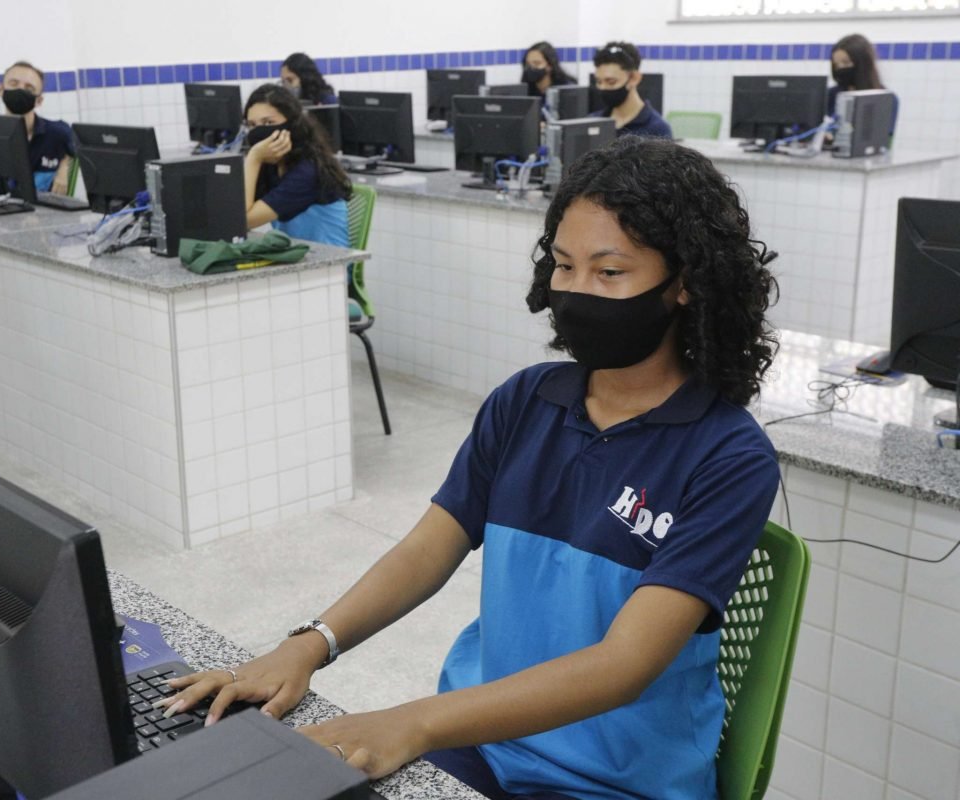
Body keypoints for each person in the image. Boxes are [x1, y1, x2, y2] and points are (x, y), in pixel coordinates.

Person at [161, 136, 782, 799]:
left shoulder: (727, 455)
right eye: (564, 267)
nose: (575, 291)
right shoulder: (525, 402)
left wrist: (415, 723)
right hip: (483, 744)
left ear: (685, 284)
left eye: (609, 272)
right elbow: (427, 549)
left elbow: (623, 666)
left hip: (613, 782)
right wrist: (310, 644)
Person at [243, 84, 352, 248]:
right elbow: (236, 215)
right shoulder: (271, 164)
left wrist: (253, 158)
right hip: (293, 256)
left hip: (330, 266)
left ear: (292, 125)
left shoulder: (308, 171)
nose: (258, 132)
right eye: (252, 125)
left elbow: (244, 221)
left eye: (268, 123)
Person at [0, 61, 76, 195]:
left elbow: (84, 149)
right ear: (0, 90)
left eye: (29, 88)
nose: (20, 90)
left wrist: (64, 167)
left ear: (39, 101)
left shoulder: (57, 134)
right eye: (14, 84)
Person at [591, 42, 671, 139]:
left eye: (611, 82)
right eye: (599, 82)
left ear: (634, 78)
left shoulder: (657, 129)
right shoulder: (592, 122)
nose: (603, 87)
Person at [828, 33, 897, 137]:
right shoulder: (830, 95)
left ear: (862, 64)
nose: (840, 68)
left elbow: (886, 138)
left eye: (846, 63)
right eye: (836, 65)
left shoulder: (886, 99)